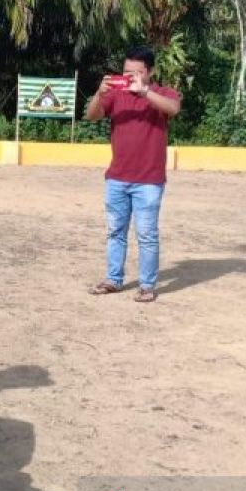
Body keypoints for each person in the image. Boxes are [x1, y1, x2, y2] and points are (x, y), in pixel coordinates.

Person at [84, 47, 181, 303]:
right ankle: (113, 280)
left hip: (149, 180)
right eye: (126, 72)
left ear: (149, 72)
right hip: (117, 177)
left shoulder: (162, 93)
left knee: (147, 235)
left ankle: (147, 286)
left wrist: (145, 92)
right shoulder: (116, 93)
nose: (129, 77)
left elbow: (173, 109)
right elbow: (91, 115)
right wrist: (99, 93)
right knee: (115, 231)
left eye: (136, 73)